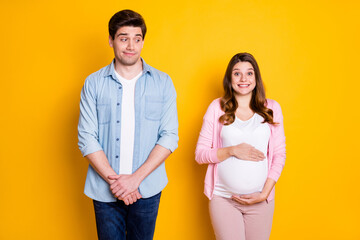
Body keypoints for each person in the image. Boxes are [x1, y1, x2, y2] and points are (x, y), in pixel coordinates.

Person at [77, 9, 178, 240]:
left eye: (137, 38)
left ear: (143, 41)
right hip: (105, 191)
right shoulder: (93, 83)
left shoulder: (163, 82)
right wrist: (117, 183)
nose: (131, 45)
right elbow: (86, 137)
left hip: (148, 189)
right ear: (111, 40)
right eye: (123, 38)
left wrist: (134, 180)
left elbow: (170, 136)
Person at [195, 53, 286, 240]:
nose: (243, 79)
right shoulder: (217, 108)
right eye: (237, 73)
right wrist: (232, 150)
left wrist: (265, 193)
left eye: (249, 73)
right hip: (224, 200)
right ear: (230, 78)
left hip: (261, 201)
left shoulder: (272, 109)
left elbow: (279, 154)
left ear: (256, 78)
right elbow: (200, 154)